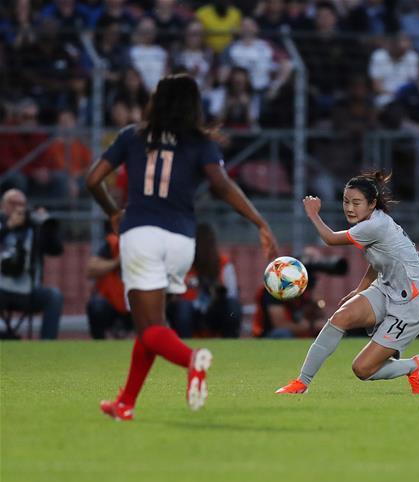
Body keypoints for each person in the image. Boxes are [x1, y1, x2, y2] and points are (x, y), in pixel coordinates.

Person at [85, 73, 277, 421]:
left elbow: (93, 179)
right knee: (153, 326)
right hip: (181, 240)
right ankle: (125, 403)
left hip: (141, 234)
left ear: (156, 100)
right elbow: (221, 185)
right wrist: (260, 222)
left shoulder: (132, 136)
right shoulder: (200, 142)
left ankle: (191, 360)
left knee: (149, 327)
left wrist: (113, 213)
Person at [274, 170, 419, 396]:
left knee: (362, 369)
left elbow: (330, 239)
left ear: (372, 204)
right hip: (386, 288)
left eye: (356, 203)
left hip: (412, 302)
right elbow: (380, 261)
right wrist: (360, 289)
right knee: (341, 317)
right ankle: (301, 383)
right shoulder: (373, 223)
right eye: (346, 201)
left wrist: (313, 214)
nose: (349, 208)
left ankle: (413, 366)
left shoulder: (374, 226)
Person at [0, 189, 64, 340]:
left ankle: (46, 346)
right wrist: (8, 227)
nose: (18, 208)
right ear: (2, 206)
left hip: (28, 290)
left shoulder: (34, 227)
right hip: (1, 288)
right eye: (13, 203)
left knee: (54, 296)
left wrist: (47, 226)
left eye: (22, 204)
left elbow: (56, 250)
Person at [168, 223, 242, 338]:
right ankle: (184, 343)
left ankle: (230, 341)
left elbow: (232, 295)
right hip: (189, 313)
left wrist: (217, 293)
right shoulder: (183, 264)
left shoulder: (223, 263)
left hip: (214, 313)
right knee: (183, 307)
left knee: (232, 305)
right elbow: (172, 295)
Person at [86, 223, 131, 339]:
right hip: (113, 302)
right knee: (97, 305)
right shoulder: (113, 245)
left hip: (139, 303)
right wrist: (117, 262)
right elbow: (90, 270)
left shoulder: (149, 247)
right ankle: (99, 344)